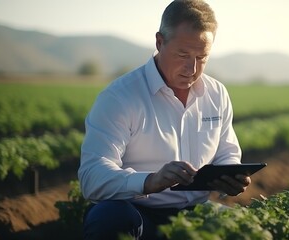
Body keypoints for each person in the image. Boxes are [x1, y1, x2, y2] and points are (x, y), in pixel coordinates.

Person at [78, 0, 251, 239]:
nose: (192, 68)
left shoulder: (216, 93)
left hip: (197, 215)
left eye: (202, 57)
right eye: (183, 54)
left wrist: (230, 176)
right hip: (140, 214)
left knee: (249, 227)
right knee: (108, 217)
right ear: (160, 42)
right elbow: (92, 176)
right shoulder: (120, 97)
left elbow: (227, 152)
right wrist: (150, 181)